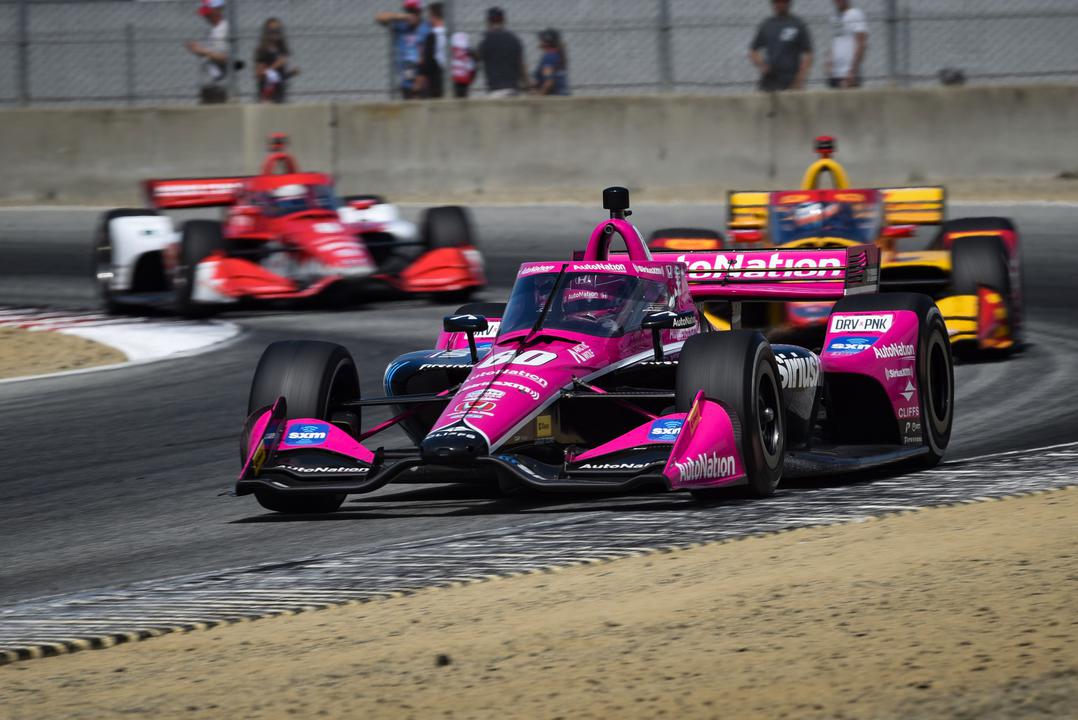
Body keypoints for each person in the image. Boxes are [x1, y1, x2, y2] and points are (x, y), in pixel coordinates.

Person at [749, 0, 813, 92]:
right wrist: (763, 66)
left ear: (789, 3)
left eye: (783, 2)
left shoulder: (797, 24)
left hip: (792, 78)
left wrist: (800, 78)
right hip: (771, 79)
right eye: (777, 2)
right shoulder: (767, 25)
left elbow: (808, 54)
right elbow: (753, 51)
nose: (780, 5)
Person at [376, 0, 430, 100]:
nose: (411, 15)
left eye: (414, 12)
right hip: (406, 80)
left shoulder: (426, 28)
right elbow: (379, 17)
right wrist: (401, 17)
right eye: (409, 11)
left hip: (422, 80)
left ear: (420, 12)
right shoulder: (401, 26)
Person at [186, 0, 231, 104]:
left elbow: (225, 58)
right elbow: (213, 53)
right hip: (213, 84)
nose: (204, 17)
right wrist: (200, 50)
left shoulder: (221, 31)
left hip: (219, 85)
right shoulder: (216, 30)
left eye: (207, 14)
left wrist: (201, 51)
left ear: (216, 11)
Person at [478, 7, 526, 97]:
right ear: (503, 20)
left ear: (488, 21)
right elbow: (521, 66)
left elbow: (477, 60)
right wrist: (528, 86)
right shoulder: (514, 39)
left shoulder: (486, 39)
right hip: (513, 90)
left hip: (495, 91)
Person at [254, 17, 298, 103]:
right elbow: (259, 74)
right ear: (266, 32)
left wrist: (291, 73)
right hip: (267, 94)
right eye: (272, 31)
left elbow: (279, 77)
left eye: (278, 30)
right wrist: (276, 65)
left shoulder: (281, 50)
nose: (275, 33)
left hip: (280, 92)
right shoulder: (262, 50)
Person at [829, 0, 868, 88]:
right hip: (835, 73)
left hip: (849, 73)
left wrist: (853, 71)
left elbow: (861, 43)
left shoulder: (855, 14)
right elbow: (835, 42)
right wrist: (829, 62)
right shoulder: (834, 17)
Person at [416, 2, 447, 98]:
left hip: (434, 81)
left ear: (433, 16)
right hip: (449, 80)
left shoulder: (431, 36)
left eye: (430, 16)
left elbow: (426, 61)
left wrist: (418, 84)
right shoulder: (449, 34)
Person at [532, 28, 569, 96]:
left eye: (541, 40)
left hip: (554, 98)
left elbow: (549, 82)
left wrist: (537, 96)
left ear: (547, 42)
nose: (539, 42)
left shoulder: (548, 58)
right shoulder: (558, 55)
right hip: (564, 95)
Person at [450, 31, 478, 98]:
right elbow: (473, 66)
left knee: (459, 91)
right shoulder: (467, 51)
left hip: (459, 76)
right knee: (463, 91)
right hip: (465, 75)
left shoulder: (457, 51)